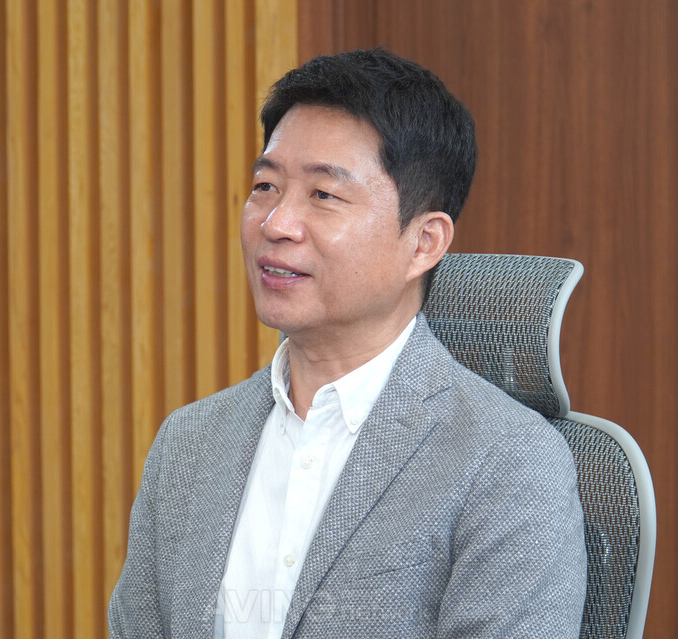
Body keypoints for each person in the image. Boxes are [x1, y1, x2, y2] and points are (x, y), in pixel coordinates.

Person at [108, 48, 586, 639]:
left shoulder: (510, 464)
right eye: (265, 186)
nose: (275, 223)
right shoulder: (188, 444)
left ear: (424, 242)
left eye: (324, 195)